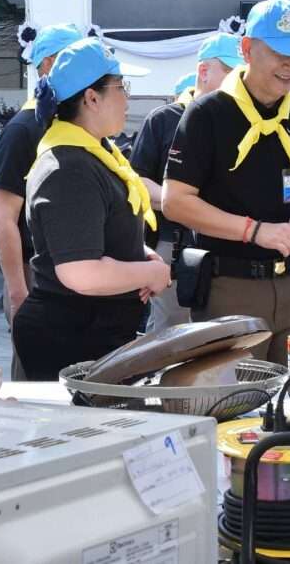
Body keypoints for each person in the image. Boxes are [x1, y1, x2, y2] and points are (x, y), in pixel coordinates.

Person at [163, 0, 290, 366]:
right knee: (235, 394)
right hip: (230, 288)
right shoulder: (207, 115)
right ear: (247, 49)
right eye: (280, 53)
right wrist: (255, 231)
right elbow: (175, 201)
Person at [13, 38, 170, 380]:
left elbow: (99, 230)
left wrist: (140, 256)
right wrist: (149, 274)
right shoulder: (68, 168)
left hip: (95, 329)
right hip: (71, 336)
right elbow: (80, 271)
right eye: (121, 87)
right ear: (92, 98)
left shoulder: (96, 153)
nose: (127, 98)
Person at [131, 32, 244, 334]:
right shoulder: (163, 119)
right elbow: (138, 182)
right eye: (231, 72)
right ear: (204, 71)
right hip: (175, 246)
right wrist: (184, 203)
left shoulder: (243, 122)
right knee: (171, 335)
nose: (240, 81)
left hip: (230, 247)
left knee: (223, 333)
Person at [0, 23, 82, 380]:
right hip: (36, 275)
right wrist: (18, 292)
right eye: (72, 59)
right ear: (47, 64)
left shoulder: (74, 126)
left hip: (75, 273)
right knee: (34, 380)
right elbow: (3, 218)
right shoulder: (22, 130)